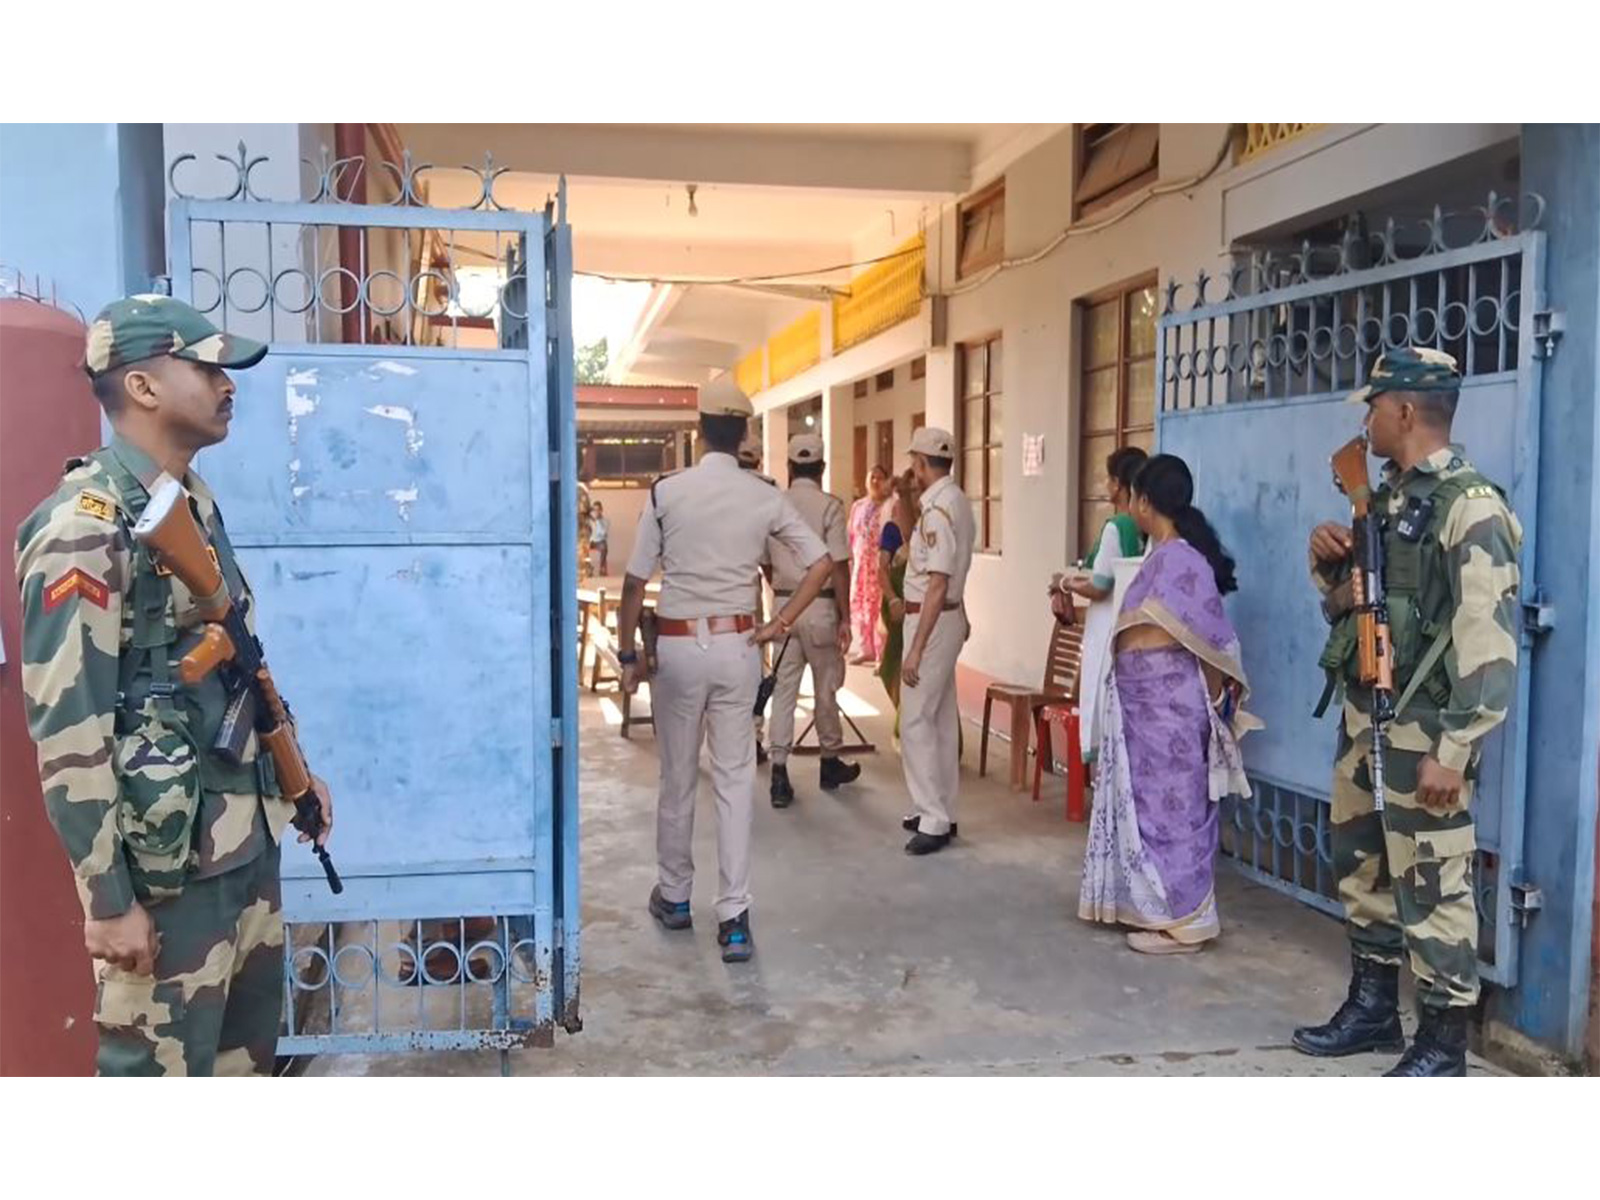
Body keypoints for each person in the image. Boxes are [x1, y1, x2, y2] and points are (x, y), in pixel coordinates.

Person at [13, 294, 332, 1075]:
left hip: (238, 850)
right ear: (144, 387)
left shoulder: (189, 504)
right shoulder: (84, 528)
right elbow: (69, 730)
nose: (228, 383)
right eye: (207, 366)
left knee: (243, 1067)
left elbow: (236, 664)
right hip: (167, 874)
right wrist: (109, 899)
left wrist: (293, 779)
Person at [1292, 347, 1522, 1077]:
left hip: (1429, 732)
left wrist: (1454, 752)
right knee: (1363, 866)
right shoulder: (1386, 501)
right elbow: (1354, 612)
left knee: (1433, 879)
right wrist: (1328, 564)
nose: (1366, 420)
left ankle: (1444, 1043)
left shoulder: (1470, 505)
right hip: (1370, 719)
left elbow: (1489, 644)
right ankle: (1373, 1010)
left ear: (1405, 411)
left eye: (1374, 406)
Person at [617, 375, 832, 963]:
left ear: (699, 427)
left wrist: (628, 654)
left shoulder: (667, 493)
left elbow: (635, 582)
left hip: (680, 649)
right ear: (743, 433)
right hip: (740, 646)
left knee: (679, 778)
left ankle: (677, 896)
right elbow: (821, 564)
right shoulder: (764, 494)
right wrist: (780, 622)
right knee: (735, 781)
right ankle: (734, 917)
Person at [1078, 454, 1253, 955]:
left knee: (1175, 812)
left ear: (1145, 502)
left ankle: (1188, 919)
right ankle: (1162, 908)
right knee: (1151, 811)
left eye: (1132, 495)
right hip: (1143, 706)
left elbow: (1210, 641)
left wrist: (1219, 704)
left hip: (1171, 708)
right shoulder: (1163, 554)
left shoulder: (1183, 561)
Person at [765, 433, 859, 808]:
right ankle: (829, 761)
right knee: (826, 689)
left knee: (784, 691)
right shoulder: (831, 507)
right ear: (820, 469)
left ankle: (779, 773)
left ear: (789, 468)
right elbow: (838, 566)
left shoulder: (773, 504)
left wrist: (781, 589)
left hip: (784, 608)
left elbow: (764, 560)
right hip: (820, 608)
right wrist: (846, 616)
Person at [897, 428, 977, 856]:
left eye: (915, 463)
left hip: (930, 621)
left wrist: (915, 648)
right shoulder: (957, 502)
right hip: (948, 618)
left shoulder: (937, 511)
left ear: (923, 464)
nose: (913, 471)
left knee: (915, 718)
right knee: (941, 717)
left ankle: (932, 816)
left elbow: (936, 582)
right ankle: (940, 807)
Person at [1053, 446, 1148, 767]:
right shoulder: (1147, 529)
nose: (1106, 486)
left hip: (1108, 631)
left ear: (1119, 485)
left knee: (1104, 712)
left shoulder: (1117, 527)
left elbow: (1101, 585)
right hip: (1135, 625)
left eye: (1110, 479)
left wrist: (1065, 584)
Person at [875, 469, 921, 743]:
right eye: (907, 492)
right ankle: (905, 720)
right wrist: (892, 598)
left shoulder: (931, 526)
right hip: (897, 606)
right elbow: (882, 569)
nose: (912, 497)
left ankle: (910, 730)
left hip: (925, 611)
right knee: (893, 666)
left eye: (915, 491)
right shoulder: (892, 530)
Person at [848, 465, 891, 664]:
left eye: (880, 478)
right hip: (861, 565)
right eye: (872, 477)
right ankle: (865, 649)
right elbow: (851, 535)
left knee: (879, 608)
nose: (875, 481)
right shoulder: (858, 506)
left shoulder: (890, 506)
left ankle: (881, 654)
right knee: (862, 606)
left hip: (880, 566)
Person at [590, 500, 610, 575]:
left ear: (601, 510)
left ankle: (602, 568)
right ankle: (587, 567)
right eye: (594, 510)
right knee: (581, 547)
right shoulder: (590, 520)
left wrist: (598, 521)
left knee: (604, 548)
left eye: (598, 510)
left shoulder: (605, 521)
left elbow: (603, 533)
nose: (596, 512)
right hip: (591, 541)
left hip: (600, 541)